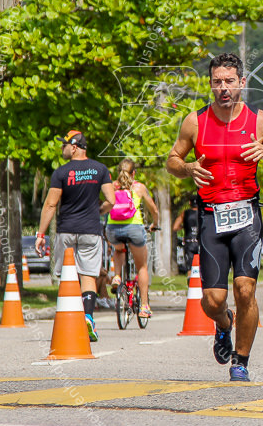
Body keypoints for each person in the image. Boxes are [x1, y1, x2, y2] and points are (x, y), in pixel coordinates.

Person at [166, 52, 263, 382]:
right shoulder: (195, 121)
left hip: (247, 216)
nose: (223, 88)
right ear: (210, 84)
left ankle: (241, 360)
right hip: (211, 216)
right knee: (212, 300)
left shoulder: (260, 121)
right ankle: (224, 324)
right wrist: (186, 167)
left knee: (245, 289)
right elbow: (173, 160)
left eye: (229, 81)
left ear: (242, 83)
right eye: (217, 82)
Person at [35, 130, 116, 343]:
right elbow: (111, 199)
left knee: (67, 276)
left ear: (74, 146)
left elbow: (51, 204)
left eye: (64, 145)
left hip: (66, 231)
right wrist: (97, 211)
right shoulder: (100, 169)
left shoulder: (61, 173)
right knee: (88, 276)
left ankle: (68, 323)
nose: (62, 149)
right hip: (91, 231)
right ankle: (88, 318)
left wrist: (41, 234)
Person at [106, 158, 160, 318]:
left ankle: (116, 276)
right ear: (133, 172)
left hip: (113, 228)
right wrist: (154, 224)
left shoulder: (111, 187)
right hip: (134, 228)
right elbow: (154, 209)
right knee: (142, 267)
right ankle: (144, 306)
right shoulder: (139, 187)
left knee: (119, 249)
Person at [172, 196, 201, 274]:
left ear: (189, 203)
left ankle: (190, 284)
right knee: (203, 266)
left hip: (189, 242)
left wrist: (185, 226)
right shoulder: (203, 213)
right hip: (201, 242)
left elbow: (175, 227)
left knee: (190, 267)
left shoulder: (185, 213)